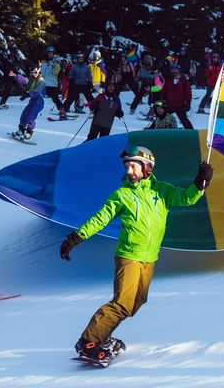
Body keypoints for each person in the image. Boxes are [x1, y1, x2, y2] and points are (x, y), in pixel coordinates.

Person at [60, 147, 213, 363]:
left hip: (149, 258)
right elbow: (100, 219)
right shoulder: (122, 195)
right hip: (129, 256)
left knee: (135, 304)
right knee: (122, 303)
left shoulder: (162, 191)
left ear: (147, 168)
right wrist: (75, 238)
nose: (129, 170)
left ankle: (102, 336)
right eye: (127, 166)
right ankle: (88, 342)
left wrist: (200, 183)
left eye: (134, 166)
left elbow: (187, 198)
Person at [10, 67, 45, 141]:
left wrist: (28, 94)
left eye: (35, 72)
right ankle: (21, 131)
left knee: (31, 117)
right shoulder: (32, 80)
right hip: (32, 101)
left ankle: (29, 133)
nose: (33, 74)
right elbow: (24, 80)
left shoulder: (41, 81)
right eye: (32, 72)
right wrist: (15, 76)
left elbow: (37, 91)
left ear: (39, 73)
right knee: (24, 115)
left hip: (38, 102)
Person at [159, 63, 194, 129]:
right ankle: (152, 129)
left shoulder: (184, 80)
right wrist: (162, 100)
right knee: (161, 117)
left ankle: (192, 132)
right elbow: (164, 91)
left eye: (175, 69)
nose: (174, 71)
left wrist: (188, 103)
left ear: (178, 70)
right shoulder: (169, 79)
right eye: (172, 69)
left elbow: (188, 92)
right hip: (169, 104)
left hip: (180, 105)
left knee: (184, 120)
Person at [40, 46, 64, 114]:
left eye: (51, 53)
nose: (50, 54)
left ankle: (62, 110)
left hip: (52, 84)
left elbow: (55, 72)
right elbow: (41, 71)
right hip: (44, 83)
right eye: (49, 53)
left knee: (55, 98)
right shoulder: (43, 62)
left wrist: (54, 66)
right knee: (37, 97)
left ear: (53, 54)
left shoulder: (56, 62)